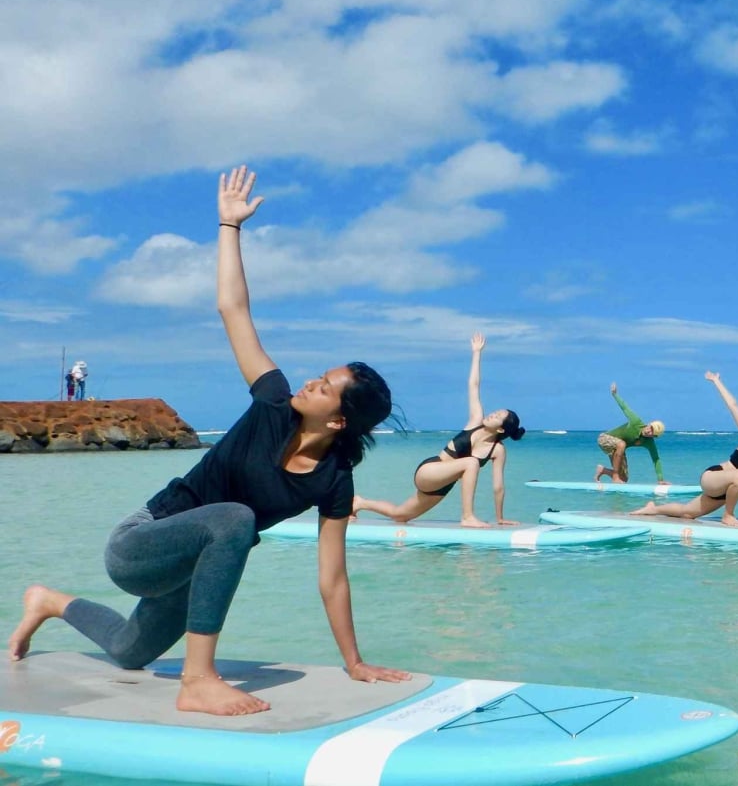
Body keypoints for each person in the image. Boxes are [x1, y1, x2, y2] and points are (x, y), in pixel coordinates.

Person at [8, 166, 407, 717]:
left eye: (325, 387)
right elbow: (233, 309)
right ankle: (198, 679)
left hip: (194, 568)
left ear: (340, 421)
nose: (310, 382)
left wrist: (355, 662)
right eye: (318, 375)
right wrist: (229, 227)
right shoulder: (272, 403)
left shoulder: (334, 479)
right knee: (237, 520)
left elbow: (333, 577)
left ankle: (48, 601)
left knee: (129, 651)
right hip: (139, 545)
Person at [353, 334, 524, 528]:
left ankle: (360, 503)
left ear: (501, 428)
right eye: (494, 412)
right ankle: (468, 516)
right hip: (430, 471)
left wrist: (500, 517)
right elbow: (474, 385)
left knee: (400, 515)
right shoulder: (475, 420)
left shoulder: (498, 450)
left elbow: (498, 486)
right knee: (470, 463)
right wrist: (476, 353)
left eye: (496, 416)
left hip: (443, 485)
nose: (491, 414)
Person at [630, 372, 738, 527]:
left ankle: (653, 509)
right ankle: (728, 515)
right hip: (712, 478)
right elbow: (734, 406)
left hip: (727, 493)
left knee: (687, 513)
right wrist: (717, 381)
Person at [594, 383, 666, 484]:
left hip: (618, 449)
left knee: (624, 479)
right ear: (649, 424)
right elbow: (625, 407)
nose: (649, 431)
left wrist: (660, 480)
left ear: (654, 436)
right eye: (651, 427)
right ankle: (615, 476)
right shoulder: (636, 422)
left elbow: (656, 459)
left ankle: (602, 470)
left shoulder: (649, 442)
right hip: (604, 439)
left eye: (652, 433)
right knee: (621, 444)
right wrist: (615, 394)